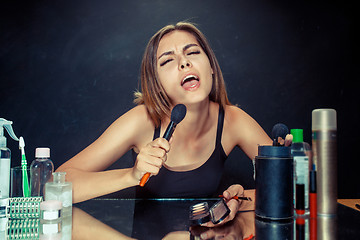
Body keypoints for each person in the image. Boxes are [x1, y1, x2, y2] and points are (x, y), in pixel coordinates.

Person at [56, 21, 273, 226]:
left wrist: (240, 199)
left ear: (211, 67)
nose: (184, 62)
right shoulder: (141, 120)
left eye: (193, 52)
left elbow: (291, 185)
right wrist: (131, 175)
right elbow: (55, 187)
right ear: (157, 84)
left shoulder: (233, 120)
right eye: (168, 60)